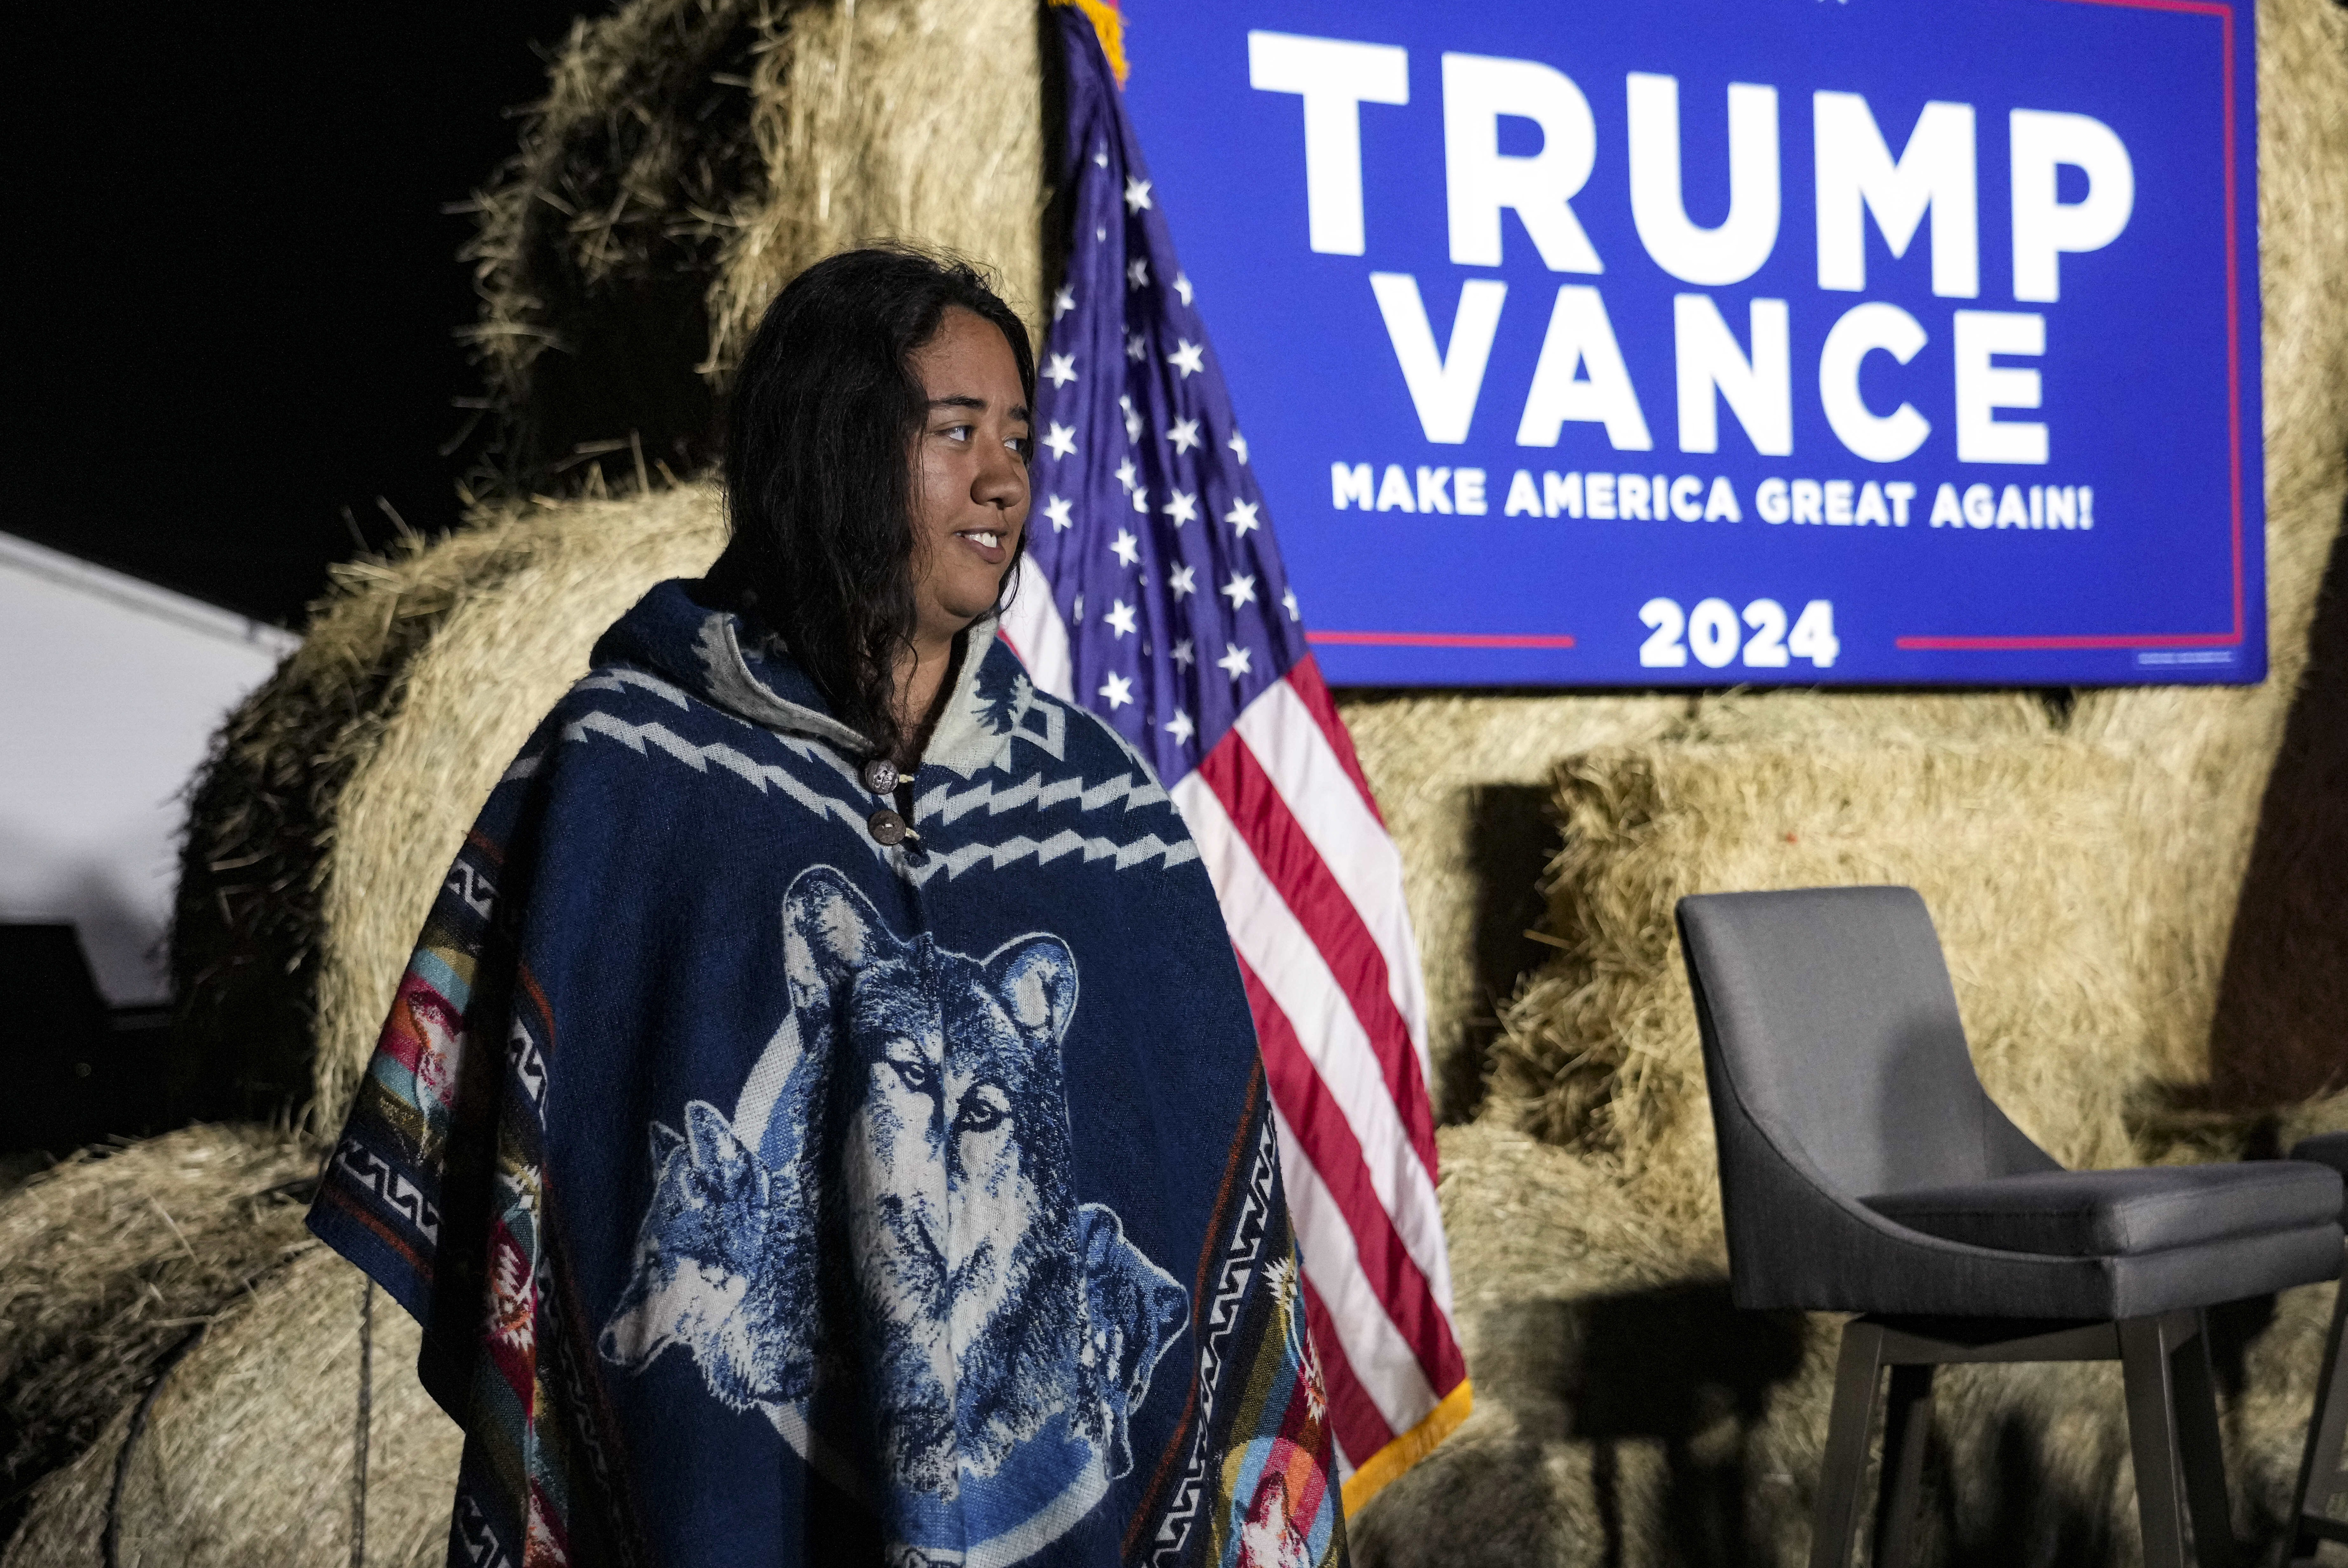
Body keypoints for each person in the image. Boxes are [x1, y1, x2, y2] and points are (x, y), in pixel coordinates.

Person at [308, 247, 1347, 1568]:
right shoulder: (629, 772)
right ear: (837, 449)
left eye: (1018, 438)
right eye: (954, 430)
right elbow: (523, 1151)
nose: (1004, 478)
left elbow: (1201, 1209)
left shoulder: (1104, 815)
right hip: (724, 1508)